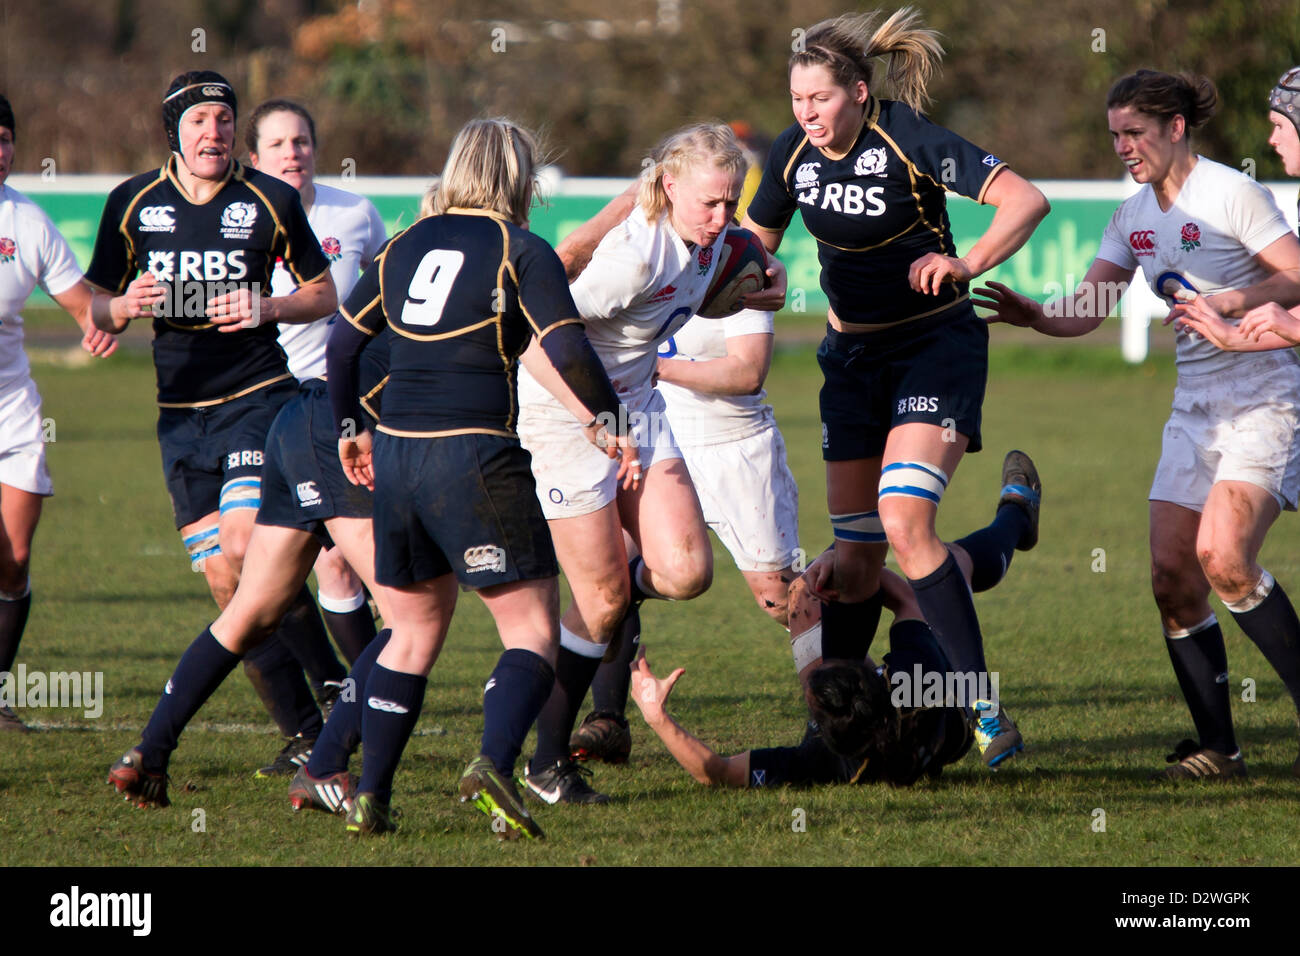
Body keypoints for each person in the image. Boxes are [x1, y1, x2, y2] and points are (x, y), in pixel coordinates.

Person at [739, 8, 1049, 767]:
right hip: (850, 362)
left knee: (905, 521)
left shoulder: (907, 137)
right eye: (796, 101)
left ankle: (980, 703)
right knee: (854, 567)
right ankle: (833, 723)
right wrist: (754, 278)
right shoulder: (791, 155)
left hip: (933, 349)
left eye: (821, 99)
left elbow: (1026, 200)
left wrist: (967, 263)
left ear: (858, 90)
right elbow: (754, 249)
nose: (807, 114)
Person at [976, 69, 1300, 780]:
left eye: (1135, 132)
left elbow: (1296, 275)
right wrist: (1037, 314)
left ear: (1176, 127)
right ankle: (1221, 747)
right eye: (1115, 133)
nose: (1123, 146)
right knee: (1170, 575)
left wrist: (1232, 303)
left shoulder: (1231, 193)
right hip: (1194, 408)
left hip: (1264, 395)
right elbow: (1091, 302)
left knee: (1225, 557)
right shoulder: (1132, 216)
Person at [324, 117, 635, 838]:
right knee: (530, 628)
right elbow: (569, 350)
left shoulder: (404, 245)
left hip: (397, 455)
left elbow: (342, 346)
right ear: (519, 179)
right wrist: (613, 420)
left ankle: (372, 796)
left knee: (410, 631)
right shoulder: (518, 249)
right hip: (474, 455)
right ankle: (495, 763)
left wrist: (350, 430)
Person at [513, 122, 787, 803]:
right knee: (605, 601)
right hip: (569, 415)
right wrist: (595, 421)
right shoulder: (633, 258)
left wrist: (766, 270)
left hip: (640, 408)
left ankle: (589, 603)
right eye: (710, 205)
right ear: (667, 188)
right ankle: (546, 765)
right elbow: (536, 337)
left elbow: (742, 255)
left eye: (732, 203)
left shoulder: (712, 238)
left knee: (687, 572)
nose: (722, 219)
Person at [84, 71, 341, 773]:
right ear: (175, 130)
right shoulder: (131, 203)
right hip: (180, 420)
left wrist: (267, 308)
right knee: (232, 587)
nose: (215, 133)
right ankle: (307, 730)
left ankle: (335, 690)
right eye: (200, 121)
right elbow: (96, 307)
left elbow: (324, 293)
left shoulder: (271, 199)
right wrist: (121, 306)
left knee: (242, 547)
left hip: (259, 402)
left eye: (225, 121)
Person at [629, 454, 1041, 787]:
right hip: (949, 723)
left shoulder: (825, 761)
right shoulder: (914, 685)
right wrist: (847, 566)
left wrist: (657, 716)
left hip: (913, 739)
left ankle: (1017, 515)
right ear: (878, 677)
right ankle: (1017, 516)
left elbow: (716, 772)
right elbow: (912, 600)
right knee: (952, 566)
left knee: (806, 597)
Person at [566, 305, 801, 765]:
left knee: (783, 600)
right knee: (613, 571)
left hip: (732, 447)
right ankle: (607, 720)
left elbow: (748, 371)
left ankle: (857, 692)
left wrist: (654, 366)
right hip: (652, 438)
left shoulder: (736, 260)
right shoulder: (635, 258)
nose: (712, 226)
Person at [247, 98, 388, 669]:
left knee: (344, 556)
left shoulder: (354, 212)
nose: (293, 153)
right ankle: (356, 689)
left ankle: (357, 691)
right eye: (278, 144)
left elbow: (386, 296)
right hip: (266, 400)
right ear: (253, 157)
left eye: (301, 141)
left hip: (342, 399)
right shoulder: (242, 218)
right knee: (315, 556)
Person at [0, 94, 118, 732]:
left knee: (14, 559)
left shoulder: (28, 222)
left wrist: (109, 319)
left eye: (4, 138)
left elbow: (83, 306)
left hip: (12, 412)